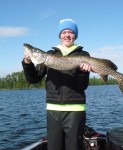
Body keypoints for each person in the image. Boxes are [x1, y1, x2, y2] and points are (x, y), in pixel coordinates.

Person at [22, 18, 92, 150]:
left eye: (70, 32)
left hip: (75, 109)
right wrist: (27, 63)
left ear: (75, 35)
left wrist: (83, 73)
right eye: (64, 32)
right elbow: (33, 79)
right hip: (53, 109)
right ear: (60, 35)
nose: (67, 35)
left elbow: (82, 86)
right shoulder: (49, 55)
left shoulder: (83, 55)